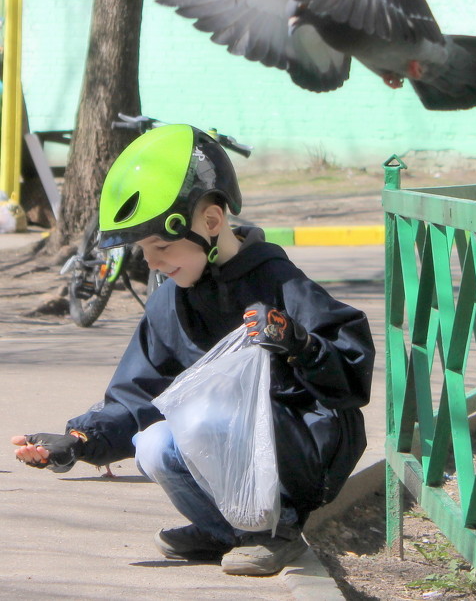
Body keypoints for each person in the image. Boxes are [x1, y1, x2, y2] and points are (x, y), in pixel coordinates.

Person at [12, 124, 375, 576]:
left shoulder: (279, 282)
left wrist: (299, 344)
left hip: (304, 448)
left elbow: (351, 378)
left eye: (161, 245)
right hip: (229, 445)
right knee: (154, 442)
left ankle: (275, 531)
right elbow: (137, 395)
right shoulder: (170, 302)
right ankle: (225, 529)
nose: (153, 262)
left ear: (210, 222)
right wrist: (82, 440)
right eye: (144, 250)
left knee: (204, 418)